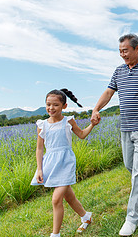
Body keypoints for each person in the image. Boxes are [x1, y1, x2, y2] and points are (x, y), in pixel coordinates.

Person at [91, 34, 138, 236]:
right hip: (126, 127)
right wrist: (96, 108)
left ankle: (132, 217)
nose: (122, 54)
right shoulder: (119, 71)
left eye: (125, 50)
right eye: (120, 51)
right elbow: (108, 93)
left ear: (137, 49)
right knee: (129, 165)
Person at [31, 89, 97, 237]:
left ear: (64, 106)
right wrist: (39, 169)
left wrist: (92, 125)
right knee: (69, 197)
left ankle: (55, 235)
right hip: (51, 164)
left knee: (56, 199)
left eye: (55, 105)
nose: (51, 108)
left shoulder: (68, 121)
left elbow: (81, 135)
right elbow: (40, 149)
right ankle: (86, 217)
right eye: (48, 104)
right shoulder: (42, 125)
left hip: (66, 162)